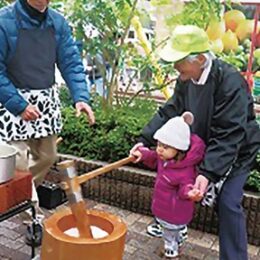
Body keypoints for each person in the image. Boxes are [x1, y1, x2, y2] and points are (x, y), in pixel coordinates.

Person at [130, 25, 260, 260]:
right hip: (204, 146)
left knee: (228, 202)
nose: (175, 66)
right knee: (174, 181)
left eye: (179, 60)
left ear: (200, 59)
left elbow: (229, 134)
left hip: (238, 149)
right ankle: (173, 224)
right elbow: (170, 110)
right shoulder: (187, 78)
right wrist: (144, 140)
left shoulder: (230, 82)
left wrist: (208, 172)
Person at [0, 0, 95, 246]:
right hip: (12, 102)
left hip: (45, 102)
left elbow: (71, 62)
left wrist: (81, 97)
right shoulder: (3, 20)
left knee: (47, 156)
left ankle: (18, 196)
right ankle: (34, 216)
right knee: (19, 163)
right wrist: (18, 105)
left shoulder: (58, 22)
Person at [131, 112, 205, 258]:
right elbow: (151, 156)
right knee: (166, 224)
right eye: (159, 144)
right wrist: (142, 154)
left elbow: (186, 186)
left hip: (174, 211)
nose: (159, 149)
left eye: (165, 147)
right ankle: (176, 231)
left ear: (179, 149)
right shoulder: (164, 159)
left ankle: (171, 248)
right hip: (163, 205)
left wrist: (190, 193)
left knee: (170, 232)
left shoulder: (185, 171)